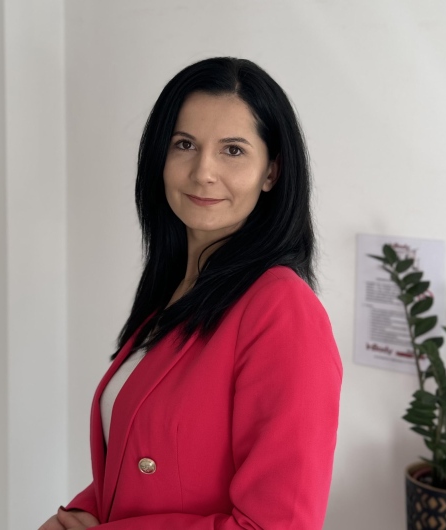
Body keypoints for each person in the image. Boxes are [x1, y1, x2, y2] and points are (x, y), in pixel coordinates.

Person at [39, 57, 342, 530]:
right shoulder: (178, 287)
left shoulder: (282, 310)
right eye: (185, 144)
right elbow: (146, 456)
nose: (203, 171)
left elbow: (277, 525)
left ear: (271, 172)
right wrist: (83, 511)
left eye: (233, 150)